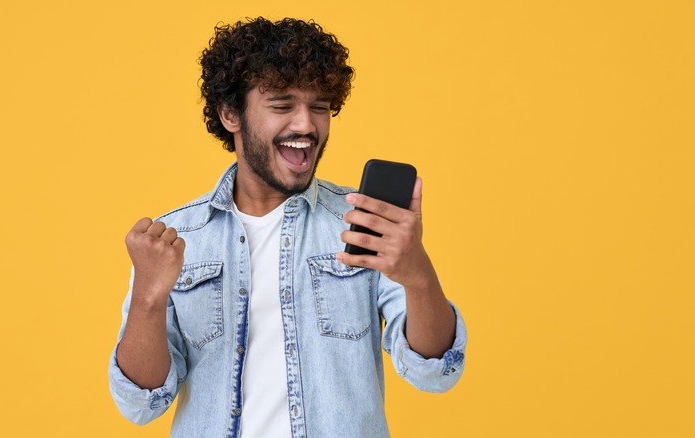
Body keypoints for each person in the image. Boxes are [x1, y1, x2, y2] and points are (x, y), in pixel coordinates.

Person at [109, 17, 467, 438]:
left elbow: (436, 373)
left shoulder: (364, 221)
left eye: (319, 106)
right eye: (282, 105)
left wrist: (419, 276)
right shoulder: (176, 239)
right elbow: (140, 402)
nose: (306, 126)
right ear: (230, 114)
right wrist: (148, 301)